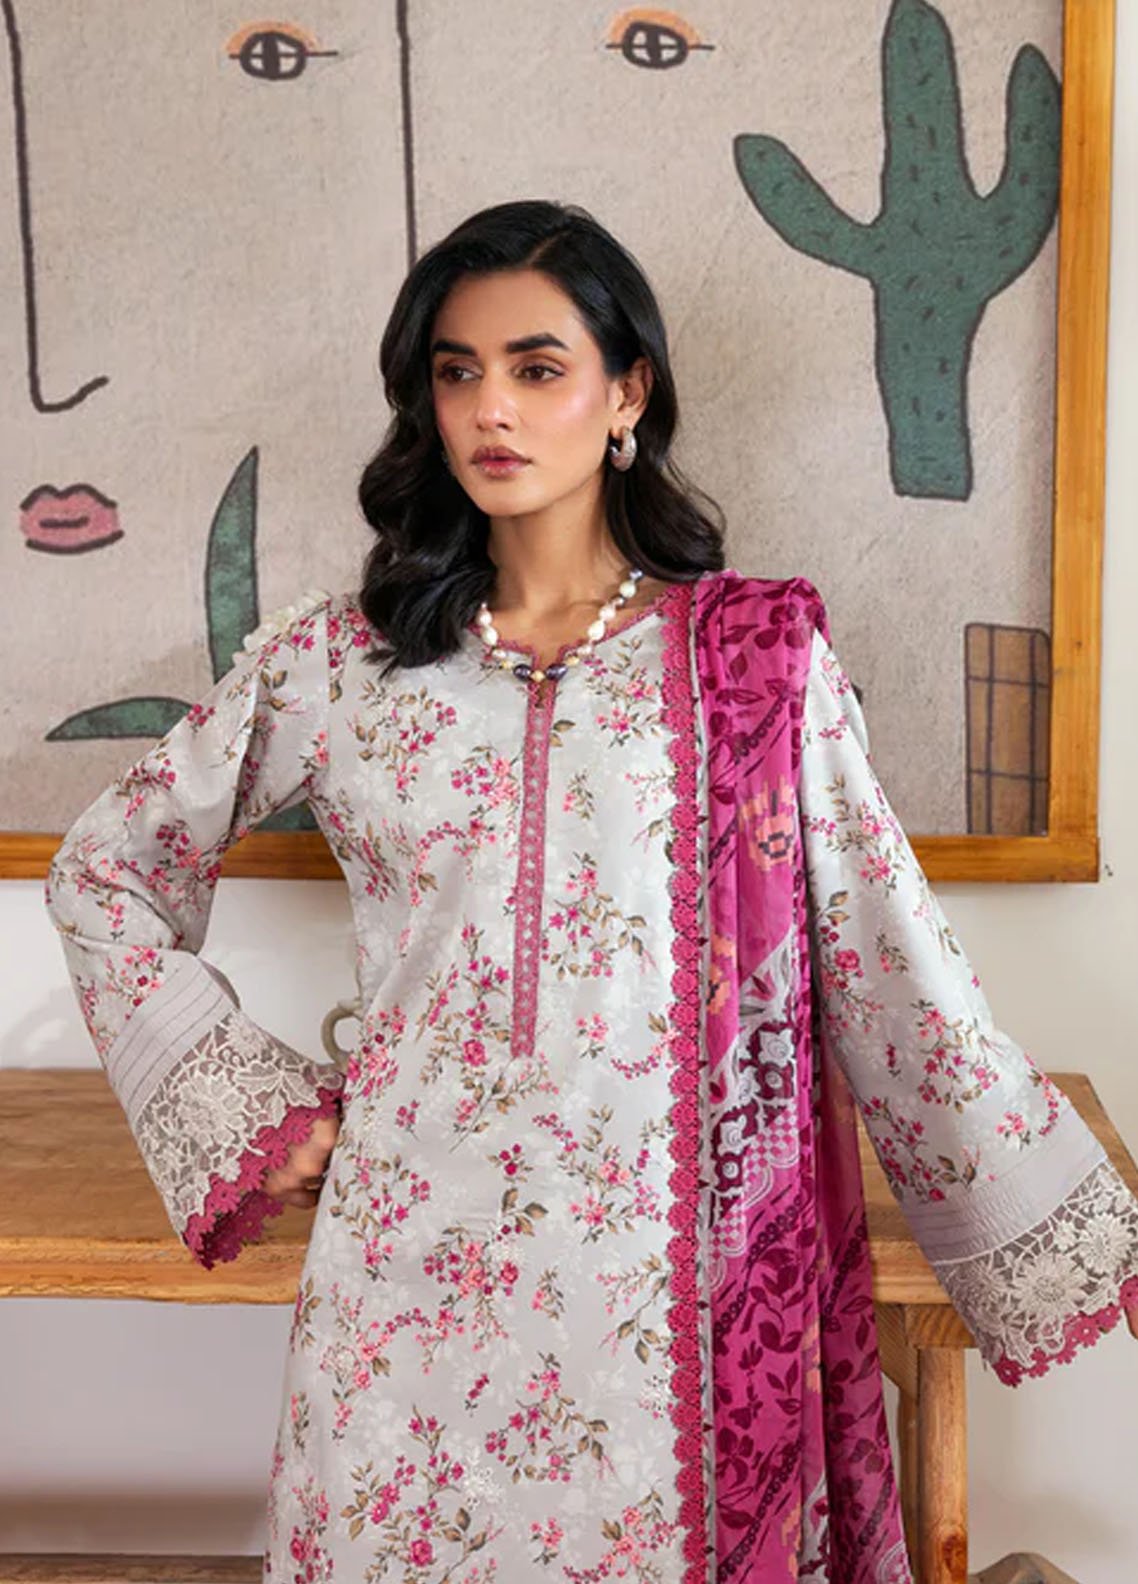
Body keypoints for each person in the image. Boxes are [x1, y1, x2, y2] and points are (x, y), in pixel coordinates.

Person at [45, 198, 1138, 1583]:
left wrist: (1055, 1217)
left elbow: (887, 962)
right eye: (457, 371)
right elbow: (107, 870)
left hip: (668, 1295)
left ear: (627, 394)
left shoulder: (754, 664)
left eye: (537, 367)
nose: (490, 409)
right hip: (405, 1283)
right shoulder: (340, 664)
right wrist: (254, 1105)